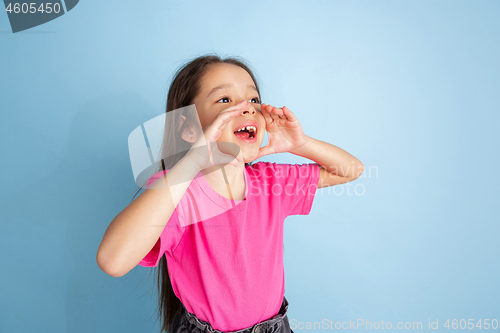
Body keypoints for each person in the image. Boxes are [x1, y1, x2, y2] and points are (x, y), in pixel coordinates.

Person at [96, 54, 364, 333]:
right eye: (225, 100)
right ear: (189, 129)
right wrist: (191, 162)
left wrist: (300, 143)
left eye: (254, 100)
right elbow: (112, 261)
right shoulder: (177, 194)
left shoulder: (270, 181)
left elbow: (350, 170)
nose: (246, 109)